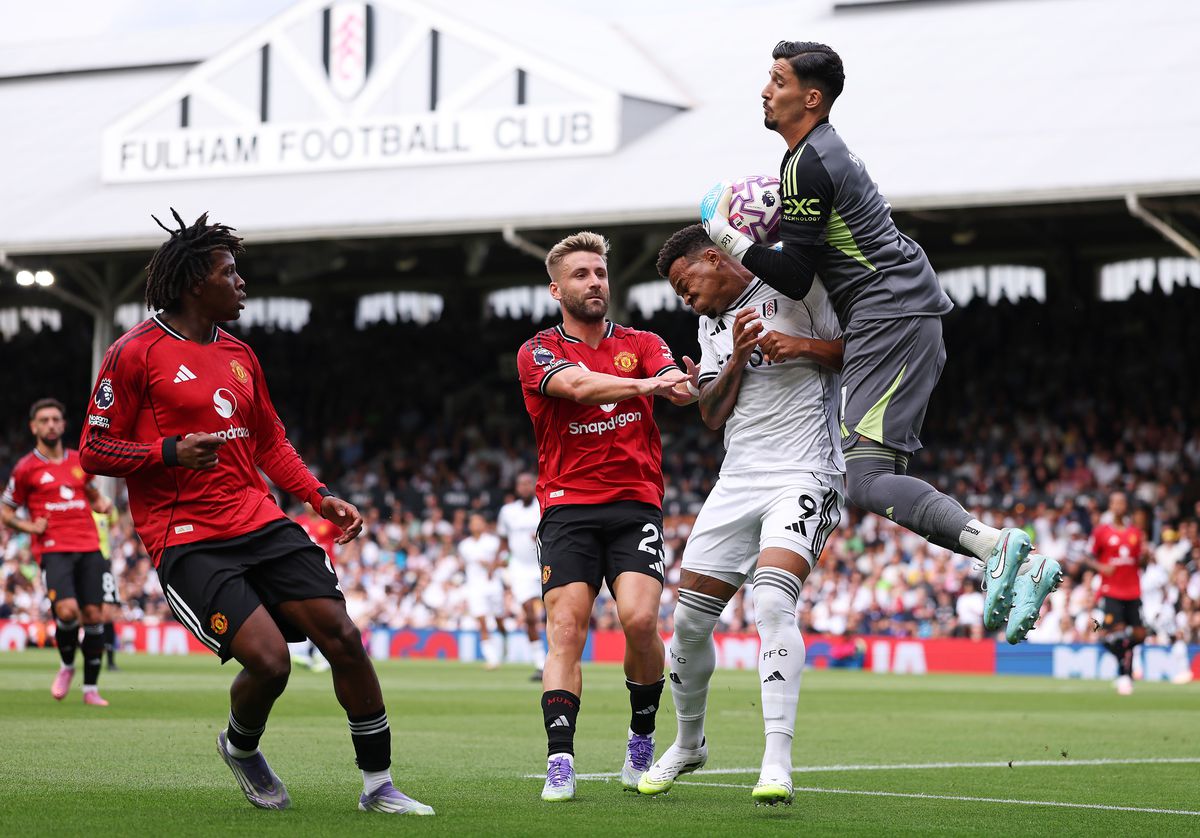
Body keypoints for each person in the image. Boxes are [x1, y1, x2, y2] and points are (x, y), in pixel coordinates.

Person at [698, 40, 1061, 642]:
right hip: (897, 312)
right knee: (873, 475)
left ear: (810, 99)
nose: (766, 90)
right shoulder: (819, 155)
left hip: (889, 315)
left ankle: (996, 546)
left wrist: (726, 235)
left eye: (778, 80)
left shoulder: (807, 165)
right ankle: (1014, 560)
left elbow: (794, 274)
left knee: (863, 481)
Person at [78, 210, 433, 816]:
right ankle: (242, 749)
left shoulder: (241, 353)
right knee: (270, 663)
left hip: (260, 519)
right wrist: (167, 451)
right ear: (196, 283)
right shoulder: (133, 353)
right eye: (230, 272)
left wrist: (319, 496)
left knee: (344, 639)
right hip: (187, 538)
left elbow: (269, 440)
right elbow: (93, 450)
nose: (241, 283)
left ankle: (379, 786)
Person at [637, 224, 844, 806]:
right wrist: (740, 356)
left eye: (686, 285)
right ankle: (689, 743)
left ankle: (776, 759)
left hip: (806, 469)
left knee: (774, 602)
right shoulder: (710, 324)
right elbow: (710, 412)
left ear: (713, 257)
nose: (687, 301)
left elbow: (862, 352)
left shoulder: (800, 289)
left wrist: (800, 346)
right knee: (687, 623)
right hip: (736, 481)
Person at [516, 231, 693, 801]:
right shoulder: (538, 350)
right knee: (566, 630)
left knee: (641, 621)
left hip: (635, 501)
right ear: (556, 288)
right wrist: (649, 386)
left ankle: (641, 739)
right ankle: (560, 762)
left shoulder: (642, 340)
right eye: (581, 275)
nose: (595, 282)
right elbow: (577, 386)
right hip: (567, 507)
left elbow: (679, 386)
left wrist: (686, 386)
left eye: (600, 273)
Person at [2, 398, 115, 705]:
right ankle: (67, 666)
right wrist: (30, 528)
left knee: (94, 615)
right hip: (54, 549)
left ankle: (90, 689)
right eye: (44, 420)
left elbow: (91, 493)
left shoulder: (81, 461)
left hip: (90, 545)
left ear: (64, 425)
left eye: (56, 419)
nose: (51, 424)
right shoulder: (26, 468)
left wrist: (100, 504)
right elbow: (6, 511)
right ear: (34, 427)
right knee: (67, 612)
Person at [1083, 492, 1147, 695]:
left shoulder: (1135, 533)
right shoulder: (1101, 532)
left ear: (1126, 506)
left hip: (1133, 590)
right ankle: (1124, 675)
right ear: (1110, 506)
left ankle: (1124, 671)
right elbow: (1086, 557)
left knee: (1138, 635)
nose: (1119, 506)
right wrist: (1101, 567)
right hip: (1111, 591)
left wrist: (1146, 556)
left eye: (1122, 502)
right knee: (1118, 634)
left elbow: (1140, 562)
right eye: (1115, 502)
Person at [497, 472, 545, 680]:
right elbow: (504, 540)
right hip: (520, 569)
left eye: (528, 483)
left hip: (544, 565)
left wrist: (542, 536)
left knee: (555, 614)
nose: (524, 487)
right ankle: (540, 663)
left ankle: (557, 659)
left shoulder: (543, 506)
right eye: (521, 484)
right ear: (516, 488)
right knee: (529, 615)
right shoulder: (508, 511)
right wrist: (501, 559)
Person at [460, 512, 507, 669]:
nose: (476, 525)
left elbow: (505, 561)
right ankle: (491, 658)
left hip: (493, 585)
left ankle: (503, 640)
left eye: (478, 521)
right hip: (475, 587)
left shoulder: (493, 542)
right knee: (482, 621)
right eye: (473, 522)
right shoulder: (464, 546)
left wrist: (491, 565)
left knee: (499, 619)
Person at [91, 504, 122, 671]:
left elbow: (115, 527)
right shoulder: (78, 505)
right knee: (88, 613)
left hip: (104, 563)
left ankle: (110, 661)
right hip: (85, 563)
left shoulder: (106, 504)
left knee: (108, 614)